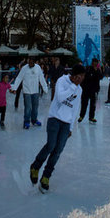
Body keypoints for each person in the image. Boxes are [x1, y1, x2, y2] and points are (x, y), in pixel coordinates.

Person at [30, 64, 85, 193]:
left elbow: (75, 108)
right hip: (54, 118)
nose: (82, 79)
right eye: (81, 76)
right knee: (51, 145)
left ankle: (46, 176)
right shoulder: (62, 81)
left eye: (83, 77)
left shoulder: (79, 90)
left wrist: (71, 126)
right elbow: (60, 98)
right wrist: (72, 86)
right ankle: (35, 166)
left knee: (58, 150)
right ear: (74, 75)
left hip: (66, 124)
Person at [12, 58, 48, 129]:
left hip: (35, 91)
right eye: (29, 62)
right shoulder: (24, 68)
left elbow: (42, 78)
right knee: (28, 108)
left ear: (34, 62)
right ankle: (26, 121)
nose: (30, 64)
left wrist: (45, 88)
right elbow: (19, 78)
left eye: (32, 63)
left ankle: (34, 120)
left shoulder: (38, 68)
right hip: (27, 91)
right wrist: (14, 88)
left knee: (35, 107)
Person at [78, 58, 102, 124]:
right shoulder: (88, 69)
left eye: (96, 63)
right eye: (94, 62)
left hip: (94, 90)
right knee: (84, 104)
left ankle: (91, 117)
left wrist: (99, 70)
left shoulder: (98, 70)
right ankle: (81, 116)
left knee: (93, 105)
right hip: (86, 89)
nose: (95, 64)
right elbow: (85, 77)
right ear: (92, 63)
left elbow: (101, 77)